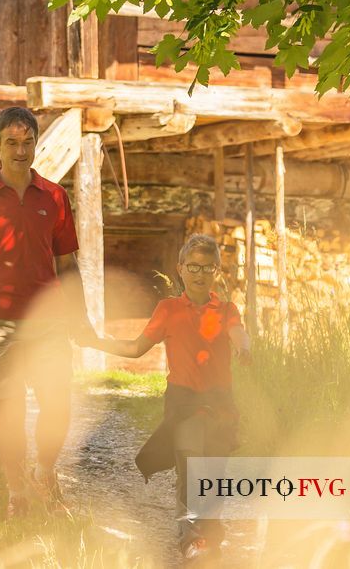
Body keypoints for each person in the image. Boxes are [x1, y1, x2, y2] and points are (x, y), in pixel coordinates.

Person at [0, 106, 100, 517]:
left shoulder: (54, 196)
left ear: (36, 143)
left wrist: (79, 316)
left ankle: (44, 472)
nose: (20, 150)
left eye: (27, 142)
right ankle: (16, 493)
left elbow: (67, 266)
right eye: (11, 142)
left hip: (47, 319)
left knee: (57, 403)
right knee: (9, 410)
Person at [77, 233, 252, 562]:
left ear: (217, 271)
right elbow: (136, 347)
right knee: (188, 463)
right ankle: (191, 536)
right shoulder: (168, 309)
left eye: (208, 267)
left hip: (219, 403)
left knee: (214, 469)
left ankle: (210, 531)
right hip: (183, 402)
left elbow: (237, 332)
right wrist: (96, 342)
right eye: (193, 266)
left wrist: (244, 347)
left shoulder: (227, 309)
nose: (200, 274)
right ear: (180, 269)